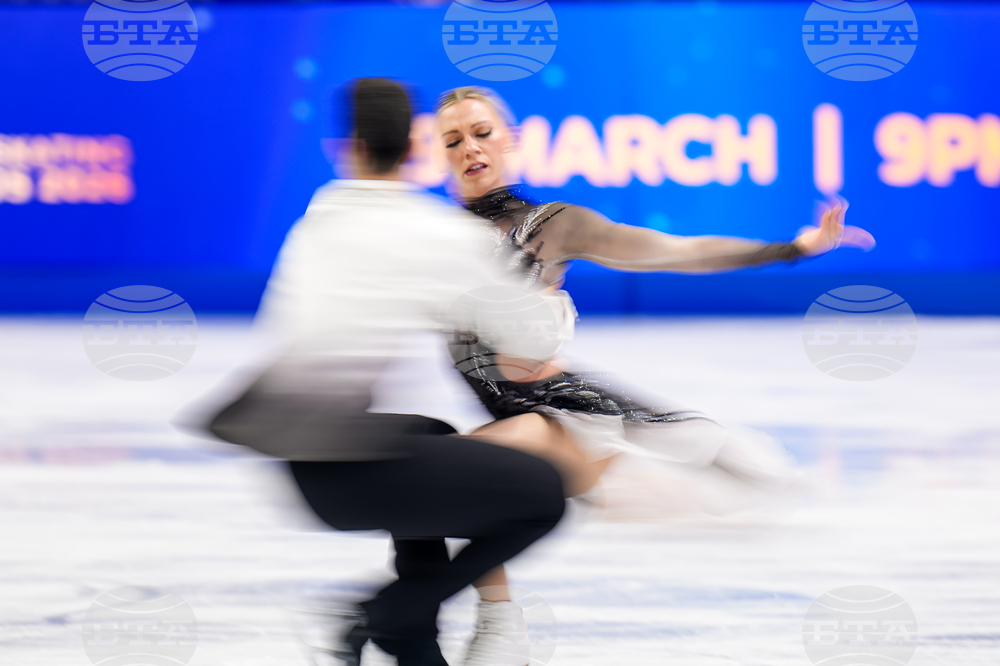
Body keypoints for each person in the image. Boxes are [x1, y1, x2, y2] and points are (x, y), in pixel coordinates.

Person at [434, 86, 877, 664]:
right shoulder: (435, 240)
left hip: (566, 418)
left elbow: (677, 250)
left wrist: (792, 247)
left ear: (510, 140)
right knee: (446, 474)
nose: (470, 147)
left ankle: (498, 627)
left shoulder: (551, 225)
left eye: (482, 132)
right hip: (531, 421)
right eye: (453, 139)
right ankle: (499, 627)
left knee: (456, 472)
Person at [203, 78, 569, 666]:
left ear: (344, 146)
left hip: (302, 469)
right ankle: (385, 614)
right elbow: (531, 338)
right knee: (544, 497)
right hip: (351, 472)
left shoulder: (316, 220)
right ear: (415, 147)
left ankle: (412, 643)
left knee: (432, 435)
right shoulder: (431, 231)